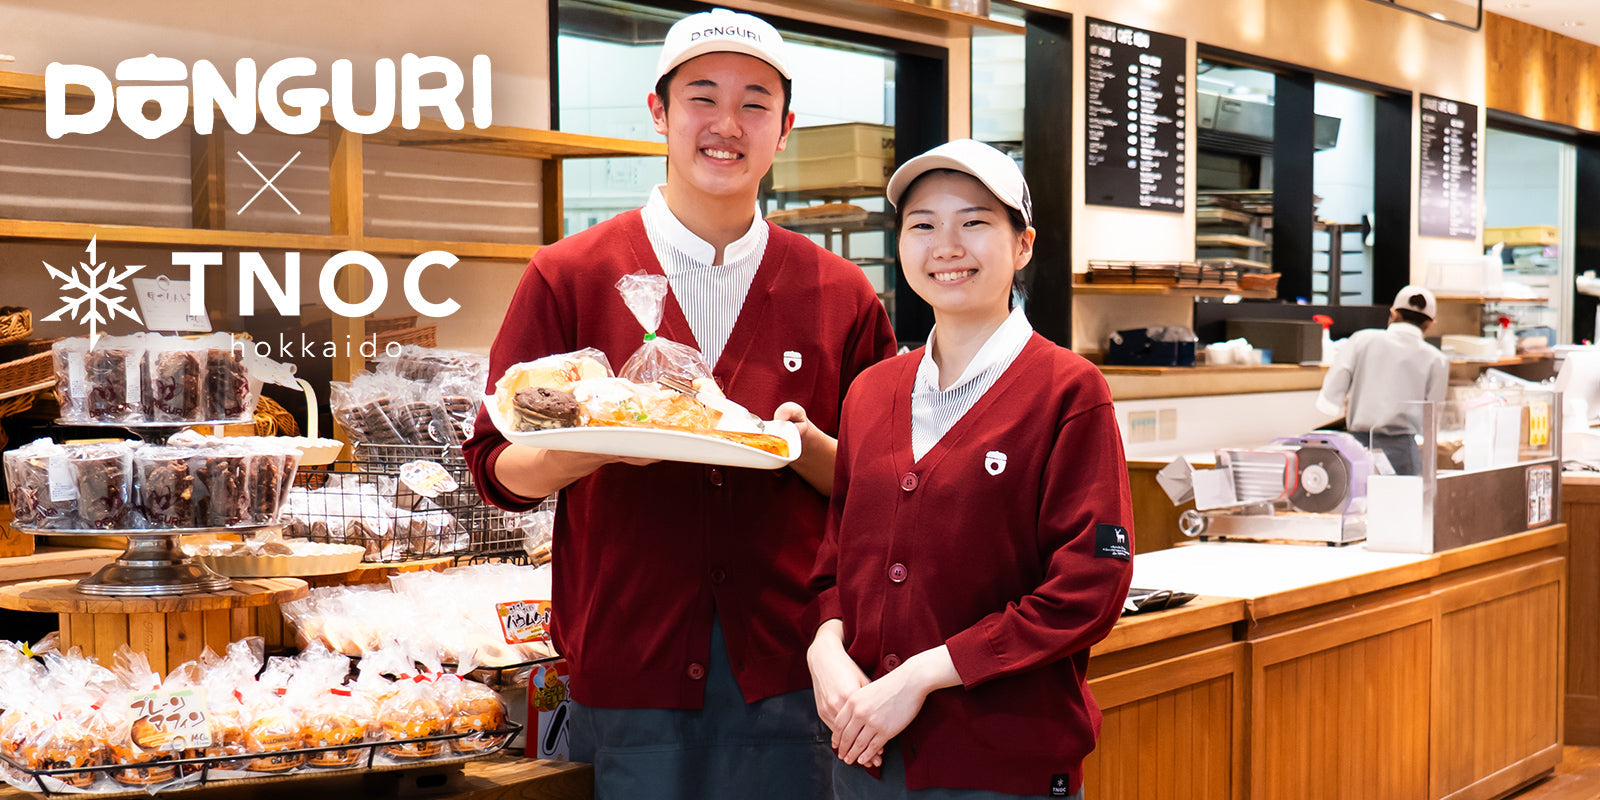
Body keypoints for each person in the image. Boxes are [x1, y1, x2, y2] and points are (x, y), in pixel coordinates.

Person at [462, 8, 896, 799]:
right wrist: (597, 442)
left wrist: (806, 451)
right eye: (703, 97)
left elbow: (886, 489)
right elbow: (496, 468)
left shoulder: (839, 292)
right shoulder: (572, 275)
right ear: (659, 111)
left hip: (796, 669)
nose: (727, 124)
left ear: (785, 128)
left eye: (755, 103)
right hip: (633, 667)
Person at [806, 140, 1135, 800]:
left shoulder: (1068, 391)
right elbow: (836, 563)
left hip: (999, 764)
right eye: (923, 225)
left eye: (975, 222)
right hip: (864, 755)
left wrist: (923, 674)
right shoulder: (870, 392)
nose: (946, 246)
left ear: (1023, 245)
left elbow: (1091, 583)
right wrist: (825, 651)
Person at [1315, 285, 1449, 475]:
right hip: (1404, 452)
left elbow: (1334, 386)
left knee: (1360, 502)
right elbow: (1433, 415)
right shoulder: (1437, 359)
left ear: (1393, 314)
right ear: (1430, 324)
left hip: (1359, 447)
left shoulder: (1362, 340)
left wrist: (1333, 404)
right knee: (1403, 502)